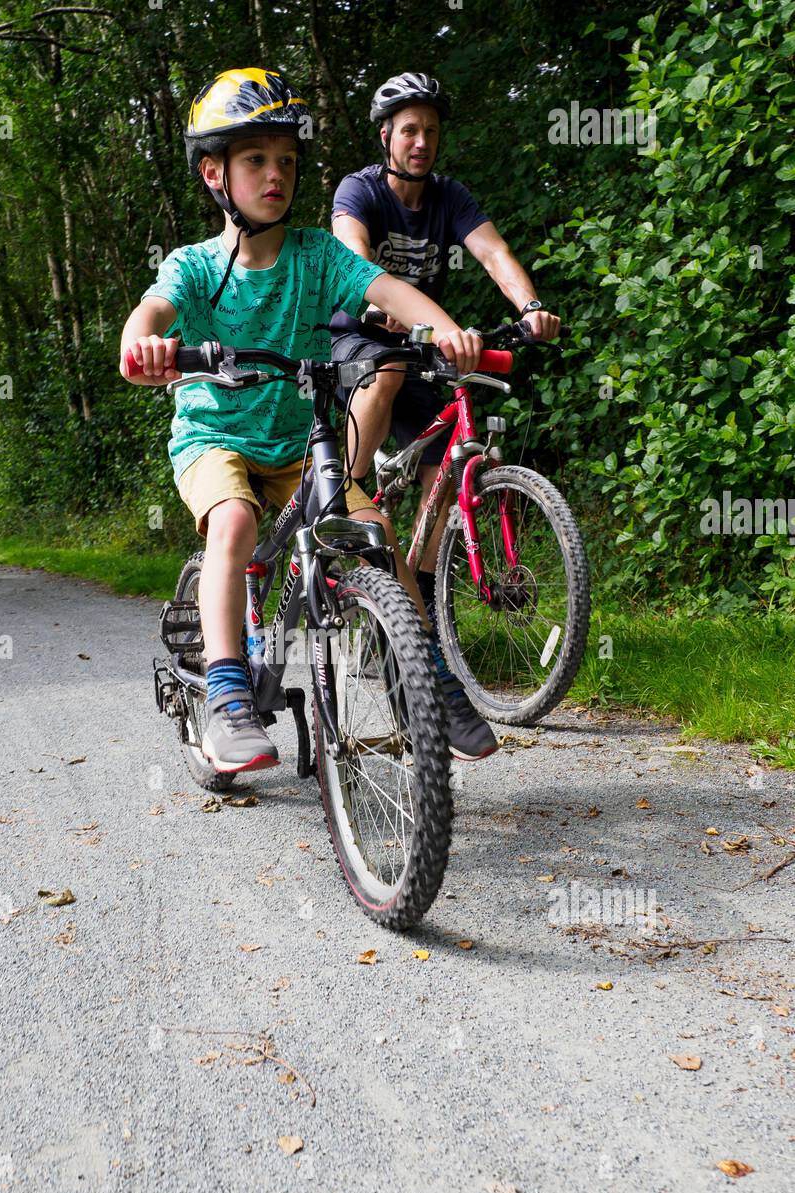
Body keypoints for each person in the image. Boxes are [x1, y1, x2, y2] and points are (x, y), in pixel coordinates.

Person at [119, 67, 488, 775]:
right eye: (254, 159)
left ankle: (425, 673)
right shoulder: (194, 266)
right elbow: (152, 312)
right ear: (213, 174)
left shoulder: (318, 255)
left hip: (298, 441)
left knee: (372, 529)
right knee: (234, 523)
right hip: (216, 438)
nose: (274, 174)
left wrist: (444, 331)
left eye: (286, 160)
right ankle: (228, 693)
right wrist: (142, 346)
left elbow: (387, 289)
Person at [330, 72, 561, 741]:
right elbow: (350, 256)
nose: (421, 141)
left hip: (422, 341)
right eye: (409, 129)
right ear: (386, 136)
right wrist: (384, 307)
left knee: (445, 469)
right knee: (388, 371)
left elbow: (491, 251)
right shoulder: (360, 190)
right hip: (359, 339)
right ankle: (347, 486)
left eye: (430, 130)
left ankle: (418, 595)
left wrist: (529, 307)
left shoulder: (449, 197)